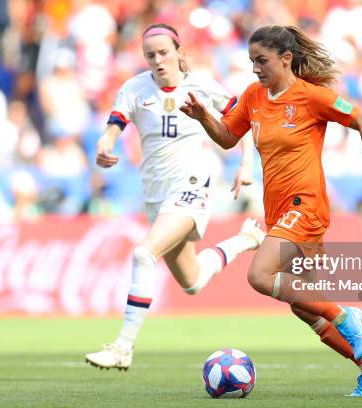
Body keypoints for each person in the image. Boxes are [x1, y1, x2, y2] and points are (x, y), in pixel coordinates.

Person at [181, 25, 362, 397]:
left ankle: (344, 316)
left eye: (262, 61)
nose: (255, 69)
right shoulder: (253, 96)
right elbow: (228, 137)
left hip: (306, 206)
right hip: (279, 210)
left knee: (260, 276)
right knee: (306, 306)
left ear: (286, 59)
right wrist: (204, 117)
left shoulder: (311, 97)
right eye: (251, 61)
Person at [85, 23, 264, 371]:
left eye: (164, 52)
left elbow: (244, 120)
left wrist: (246, 165)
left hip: (192, 186)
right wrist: (105, 144)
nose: (157, 60)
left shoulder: (202, 86)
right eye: (150, 55)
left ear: (180, 53)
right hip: (156, 196)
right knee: (193, 281)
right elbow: (114, 126)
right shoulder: (135, 88)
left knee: (143, 253)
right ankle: (246, 239)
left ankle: (123, 347)